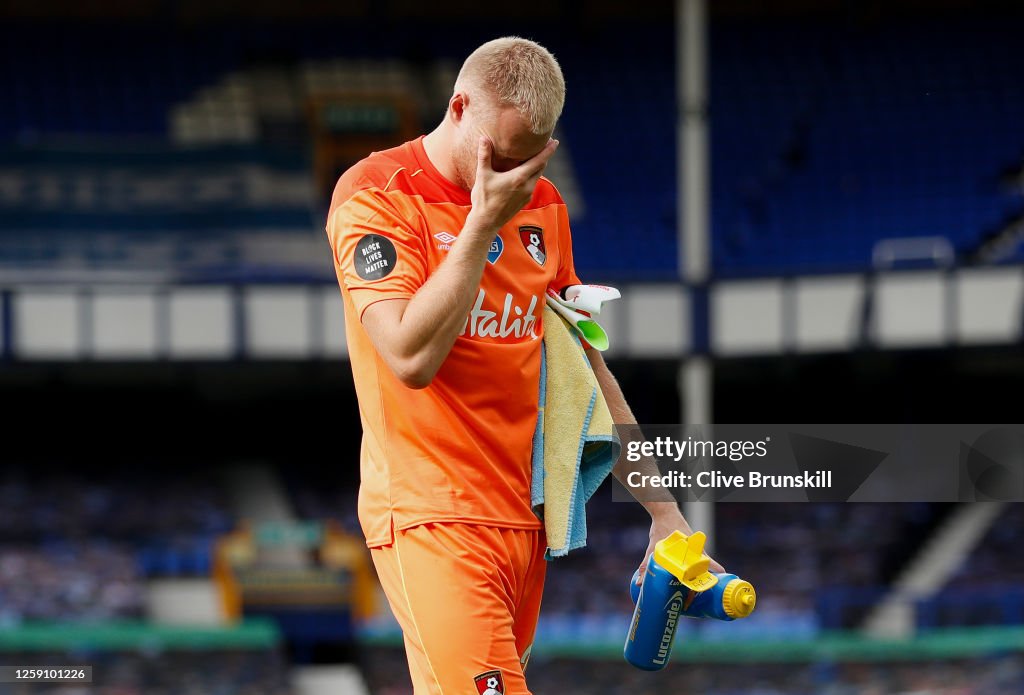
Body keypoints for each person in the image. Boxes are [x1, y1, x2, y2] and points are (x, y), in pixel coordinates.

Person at [326, 36, 722, 695]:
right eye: (497, 156)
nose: (510, 178)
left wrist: (663, 510)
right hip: (431, 514)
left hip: (523, 525)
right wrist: (481, 226)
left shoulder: (541, 208)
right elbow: (408, 356)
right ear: (458, 107)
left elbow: (584, 372)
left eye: (527, 159)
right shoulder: (378, 194)